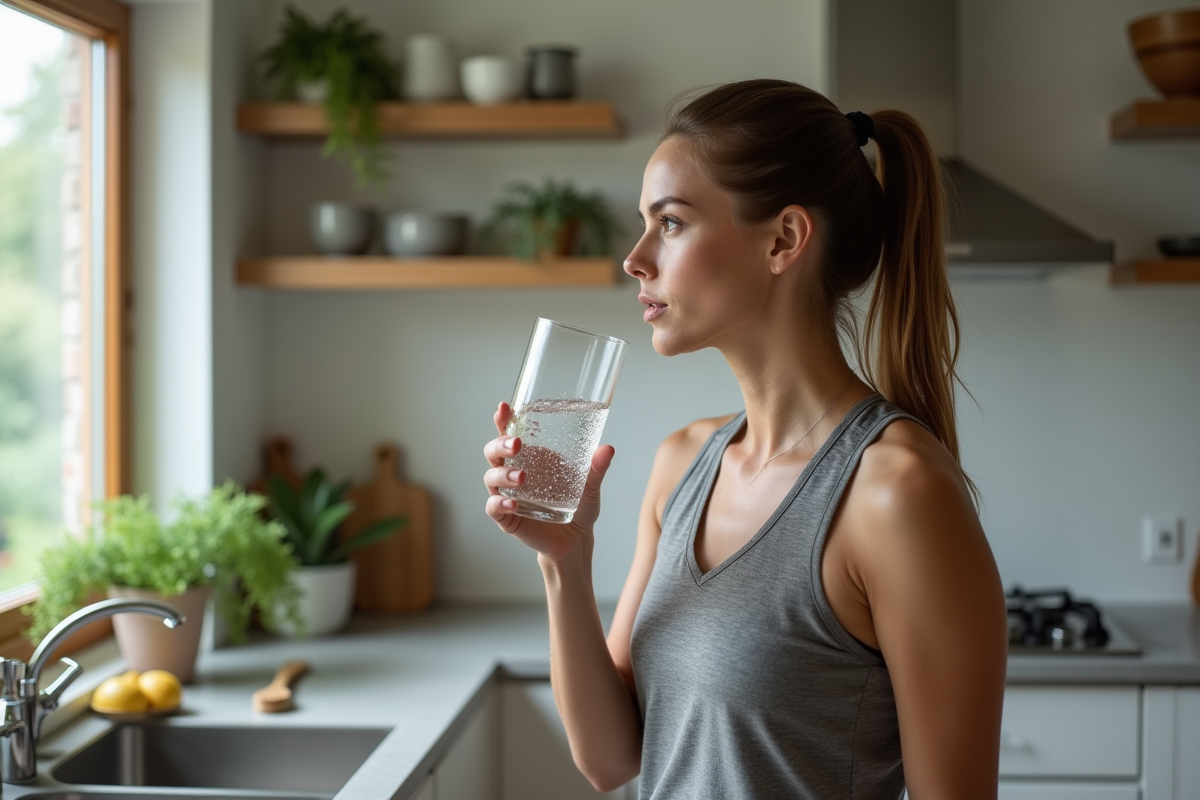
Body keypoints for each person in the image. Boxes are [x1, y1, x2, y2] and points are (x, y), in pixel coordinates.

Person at [482, 78, 1007, 800]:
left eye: (669, 222)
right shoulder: (681, 465)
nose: (635, 258)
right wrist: (565, 562)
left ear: (784, 239)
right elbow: (611, 760)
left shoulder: (896, 494)